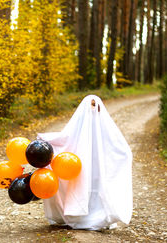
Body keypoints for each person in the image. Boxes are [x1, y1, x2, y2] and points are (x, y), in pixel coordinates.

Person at [37, 95, 132, 230]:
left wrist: (125, 154)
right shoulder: (78, 125)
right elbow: (64, 139)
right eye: (91, 106)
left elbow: (116, 145)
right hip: (79, 169)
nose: (93, 109)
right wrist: (45, 140)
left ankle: (98, 215)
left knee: (97, 188)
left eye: (95, 106)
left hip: (98, 169)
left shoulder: (104, 126)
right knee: (82, 187)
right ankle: (79, 216)